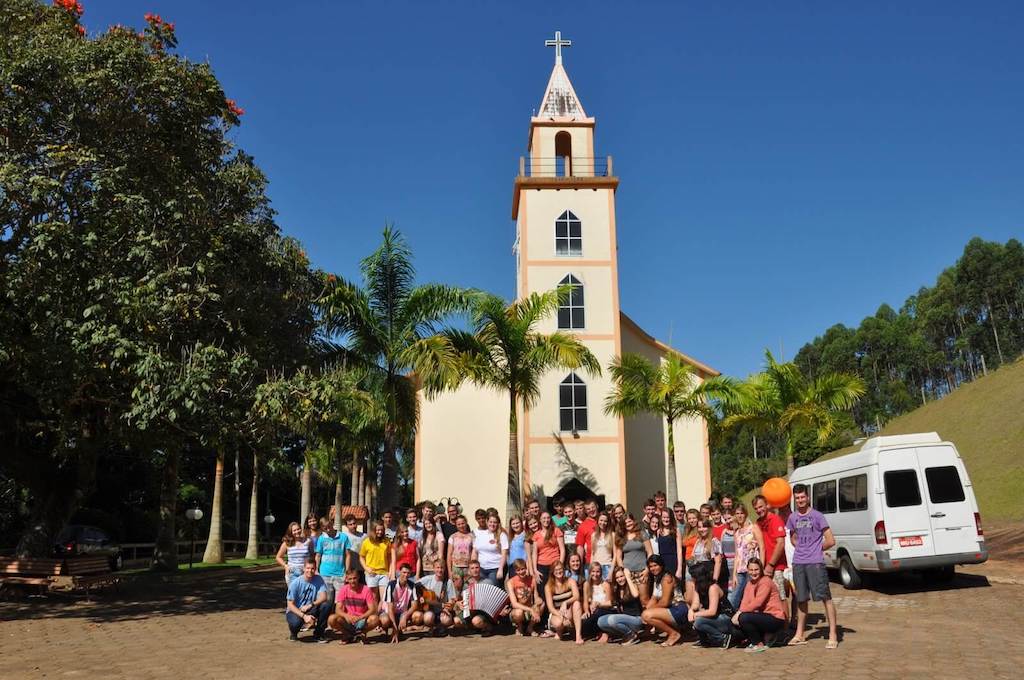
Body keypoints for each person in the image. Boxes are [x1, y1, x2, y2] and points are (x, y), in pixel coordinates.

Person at [787, 483, 839, 649]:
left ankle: (833, 634)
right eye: (797, 498)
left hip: (815, 563)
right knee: (801, 599)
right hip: (798, 563)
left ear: (808, 497)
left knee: (825, 598)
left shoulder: (817, 516)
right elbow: (793, 538)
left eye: (803, 497)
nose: (800, 500)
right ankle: (799, 634)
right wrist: (801, 547)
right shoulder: (792, 517)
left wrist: (816, 548)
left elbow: (831, 540)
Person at [731, 558, 786, 653]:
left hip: (774, 617)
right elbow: (745, 602)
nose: (753, 573)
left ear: (761, 569)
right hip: (761, 617)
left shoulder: (765, 582)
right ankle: (761, 637)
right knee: (734, 630)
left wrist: (739, 613)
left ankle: (758, 643)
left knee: (744, 617)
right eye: (751, 570)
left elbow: (758, 603)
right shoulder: (749, 584)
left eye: (756, 569)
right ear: (747, 570)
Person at [754, 494, 789, 618]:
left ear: (767, 505)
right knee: (769, 599)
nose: (759, 510)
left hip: (775, 566)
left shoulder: (775, 519)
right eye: (756, 508)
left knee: (781, 597)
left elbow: (780, 544)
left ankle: (785, 627)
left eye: (761, 506)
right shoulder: (758, 522)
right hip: (764, 566)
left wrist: (771, 565)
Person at [639, 554, 685, 647]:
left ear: (661, 565)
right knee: (646, 614)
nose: (653, 568)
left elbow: (665, 602)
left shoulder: (667, 578)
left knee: (647, 615)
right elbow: (654, 597)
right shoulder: (658, 577)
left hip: (678, 609)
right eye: (650, 566)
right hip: (670, 609)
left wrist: (648, 612)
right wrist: (647, 609)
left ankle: (673, 634)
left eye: (655, 565)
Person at [687, 560, 735, 648]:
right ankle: (704, 641)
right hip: (715, 617)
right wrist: (691, 610)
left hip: (726, 617)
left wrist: (696, 614)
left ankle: (722, 638)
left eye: (693, 576)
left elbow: (712, 611)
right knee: (693, 616)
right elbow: (696, 603)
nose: (691, 579)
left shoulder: (713, 588)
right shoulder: (698, 587)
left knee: (698, 621)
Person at [285, 557, 332, 642]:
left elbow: (324, 597)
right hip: (295, 610)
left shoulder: (318, 579)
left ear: (315, 569)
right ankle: (293, 633)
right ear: (303, 568)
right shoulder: (295, 583)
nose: (310, 571)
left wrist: (311, 605)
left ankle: (319, 634)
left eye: (312, 568)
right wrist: (304, 616)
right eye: (308, 568)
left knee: (326, 605)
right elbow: (290, 605)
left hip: (309, 608)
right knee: (295, 623)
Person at [328, 570, 380, 644]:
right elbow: (337, 609)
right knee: (331, 619)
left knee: (375, 619)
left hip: (362, 619)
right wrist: (346, 616)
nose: (352, 581)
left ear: (358, 577)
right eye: (350, 579)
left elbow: (372, 609)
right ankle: (347, 634)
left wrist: (361, 617)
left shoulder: (366, 589)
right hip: (348, 619)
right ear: (347, 579)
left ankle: (361, 633)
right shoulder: (343, 589)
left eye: (354, 578)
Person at [597, 566, 646, 644]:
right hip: (624, 620)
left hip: (636, 619)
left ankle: (631, 635)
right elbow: (612, 602)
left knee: (612, 620)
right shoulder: (617, 590)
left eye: (622, 576)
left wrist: (628, 578)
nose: (620, 579)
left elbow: (636, 594)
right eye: (617, 578)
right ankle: (625, 634)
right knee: (600, 621)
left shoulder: (632, 585)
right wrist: (598, 604)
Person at [730, 503, 765, 609]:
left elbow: (762, 548)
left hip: (753, 569)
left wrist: (761, 568)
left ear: (745, 514)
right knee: (734, 598)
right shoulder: (736, 533)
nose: (739, 516)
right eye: (737, 514)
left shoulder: (753, 528)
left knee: (751, 598)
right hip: (740, 570)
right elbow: (737, 554)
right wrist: (734, 574)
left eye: (741, 513)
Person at [543, 560, 584, 644]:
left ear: (564, 569)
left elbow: (577, 596)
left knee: (577, 603)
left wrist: (565, 603)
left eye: (560, 569)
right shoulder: (548, 586)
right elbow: (550, 608)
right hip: (556, 612)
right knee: (558, 623)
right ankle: (559, 632)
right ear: (552, 572)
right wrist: (562, 616)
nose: (559, 571)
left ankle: (578, 636)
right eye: (556, 570)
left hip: (569, 610)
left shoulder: (570, 581)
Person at [414, 559, 458, 634]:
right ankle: (434, 627)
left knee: (446, 620)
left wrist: (448, 607)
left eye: (442, 568)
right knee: (427, 618)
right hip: (429, 609)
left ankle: (441, 626)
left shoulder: (448, 582)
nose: (439, 570)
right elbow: (415, 585)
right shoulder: (428, 579)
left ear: (444, 569)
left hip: (442, 609)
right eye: (437, 567)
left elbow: (452, 600)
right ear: (434, 568)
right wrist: (421, 596)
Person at [457, 561, 501, 636]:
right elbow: (462, 599)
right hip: (470, 611)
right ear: (469, 571)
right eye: (472, 568)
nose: (475, 570)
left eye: (477, 567)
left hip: (484, 612)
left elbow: (495, 597)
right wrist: (459, 603)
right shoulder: (466, 584)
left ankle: (488, 626)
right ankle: (474, 628)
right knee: (456, 621)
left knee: (476, 621)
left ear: (480, 569)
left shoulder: (488, 582)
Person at [380, 562, 420, 644]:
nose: (406, 575)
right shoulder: (391, 585)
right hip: (389, 612)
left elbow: (414, 605)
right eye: (404, 572)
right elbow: (390, 609)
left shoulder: (412, 585)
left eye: (408, 573)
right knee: (384, 620)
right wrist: (394, 628)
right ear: (399, 573)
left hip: (402, 612)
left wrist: (405, 616)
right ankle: (388, 631)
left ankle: (400, 630)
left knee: (418, 616)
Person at [315, 516, 351, 601]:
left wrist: (347, 572)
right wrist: (316, 570)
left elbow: (348, 555)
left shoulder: (343, 537)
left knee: (340, 601)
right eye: (325, 528)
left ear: (332, 523)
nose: (328, 530)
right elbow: (318, 555)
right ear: (322, 528)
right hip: (325, 573)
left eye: (329, 526)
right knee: (327, 600)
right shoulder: (321, 538)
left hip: (340, 573)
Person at [506, 558, 543, 636]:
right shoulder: (511, 582)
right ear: (515, 571)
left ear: (526, 568)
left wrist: (538, 600)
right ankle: (519, 627)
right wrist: (530, 609)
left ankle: (530, 627)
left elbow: (536, 596)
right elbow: (514, 604)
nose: (521, 572)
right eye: (518, 570)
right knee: (518, 612)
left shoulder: (532, 579)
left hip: (529, 608)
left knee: (542, 604)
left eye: (523, 569)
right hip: (518, 609)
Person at [472, 512, 509, 585]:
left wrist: (500, 569)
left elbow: (504, 554)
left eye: (495, 522)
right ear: (487, 522)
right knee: (483, 591)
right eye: (490, 522)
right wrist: (473, 566)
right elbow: (475, 551)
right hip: (481, 569)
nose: (492, 524)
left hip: (495, 569)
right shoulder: (480, 535)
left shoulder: (502, 535)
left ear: (498, 523)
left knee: (493, 592)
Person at [581, 561, 615, 640]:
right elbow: (585, 601)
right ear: (589, 572)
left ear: (601, 573)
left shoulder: (605, 585)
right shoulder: (587, 584)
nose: (595, 574)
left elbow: (609, 603)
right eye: (593, 571)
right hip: (592, 610)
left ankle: (603, 633)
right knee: (585, 621)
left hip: (604, 609)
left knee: (597, 614)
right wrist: (586, 611)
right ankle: (596, 633)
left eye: (597, 572)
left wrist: (599, 604)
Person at [532, 511, 565, 593]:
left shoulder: (556, 531)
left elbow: (562, 549)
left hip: (554, 565)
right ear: (540, 520)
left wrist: (560, 564)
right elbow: (534, 553)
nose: (546, 520)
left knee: (556, 590)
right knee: (542, 591)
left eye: (548, 518)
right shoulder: (536, 534)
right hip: (541, 567)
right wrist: (535, 570)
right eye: (544, 518)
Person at [359, 520, 391, 598]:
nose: (380, 532)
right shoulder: (366, 542)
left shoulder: (387, 541)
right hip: (371, 574)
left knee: (384, 598)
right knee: (373, 598)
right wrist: (366, 568)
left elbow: (389, 557)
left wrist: (390, 571)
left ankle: (382, 610)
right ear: (373, 530)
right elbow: (361, 557)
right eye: (378, 530)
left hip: (384, 573)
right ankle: (375, 611)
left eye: (381, 530)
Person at [689, 519, 725, 586]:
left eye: (704, 527)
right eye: (699, 527)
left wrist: (715, 580)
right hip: (698, 576)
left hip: (708, 576)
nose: (702, 529)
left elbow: (718, 562)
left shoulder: (714, 541)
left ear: (709, 528)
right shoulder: (698, 542)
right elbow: (694, 559)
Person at [276, 521, 311, 588]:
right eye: (294, 530)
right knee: (293, 595)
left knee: (305, 594)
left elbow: (312, 556)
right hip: (292, 572)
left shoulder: (308, 541)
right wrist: (285, 566)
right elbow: (278, 557)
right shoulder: (287, 543)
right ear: (291, 532)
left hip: (305, 572)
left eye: (298, 529)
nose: (297, 531)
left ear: (301, 529)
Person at [620, 514, 652, 585]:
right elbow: (618, 557)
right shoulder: (621, 537)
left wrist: (647, 569)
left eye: (629, 521)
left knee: (643, 596)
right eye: (625, 523)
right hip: (627, 572)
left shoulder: (642, 534)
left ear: (634, 521)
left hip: (642, 571)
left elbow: (650, 552)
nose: (628, 524)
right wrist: (623, 570)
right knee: (629, 596)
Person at [590, 512, 620, 581]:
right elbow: (592, 553)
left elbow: (615, 555)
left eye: (605, 521)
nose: (603, 523)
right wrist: (591, 569)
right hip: (596, 567)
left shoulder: (612, 535)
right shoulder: (593, 535)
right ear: (598, 521)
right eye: (601, 520)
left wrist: (611, 571)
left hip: (607, 566)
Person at [657, 508, 684, 583]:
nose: (666, 519)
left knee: (673, 585)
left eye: (668, 517)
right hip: (662, 562)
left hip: (673, 561)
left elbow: (679, 551)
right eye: (664, 517)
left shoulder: (676, 530)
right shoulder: (659, 531)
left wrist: (679, 569)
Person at [447, 514, 474, 579]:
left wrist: (472, 569)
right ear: (456, 525)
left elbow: (474, 553)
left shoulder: (472, 536)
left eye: (463, 523)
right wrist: (449, 571)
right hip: (456, 568)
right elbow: (449, 555)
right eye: (458, 524)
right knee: (456, 588)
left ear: (466, 523)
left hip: (468, 568)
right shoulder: (452, 537)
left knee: (468, 588)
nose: (461, 526)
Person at [418, 515, 445, 579]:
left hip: (434, 569)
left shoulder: (439, 535)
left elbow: (441, 554)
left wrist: (439, 568)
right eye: (426, 524)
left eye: (430, 523)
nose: (428, 525)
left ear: (433, 524)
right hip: (424, 568)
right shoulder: (423, 537)